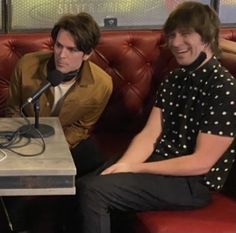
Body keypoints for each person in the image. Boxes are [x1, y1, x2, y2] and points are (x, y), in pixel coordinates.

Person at [71, 2, 236, 233]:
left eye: (185, 34)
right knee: (81, 184)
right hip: (159, 164)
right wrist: (126, 164)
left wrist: (136, 169)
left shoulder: (224, 88)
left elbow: (201, 162)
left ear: (207, 37)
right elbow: (150, 133)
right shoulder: (175, 78)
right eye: (172, 35)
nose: (176, 42)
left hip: (192, 183)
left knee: (93, 191)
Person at [4, 12, 113, 233]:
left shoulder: (102, 84)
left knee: (93, 159)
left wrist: (56, 149)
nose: (62, 55)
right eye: (59, 46)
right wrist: (29, 145)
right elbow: (13, 109)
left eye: (72, 50)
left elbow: (82, 127)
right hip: (26, 133)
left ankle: (68, 222)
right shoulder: (27, 65)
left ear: (88, 53)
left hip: (64, 138)